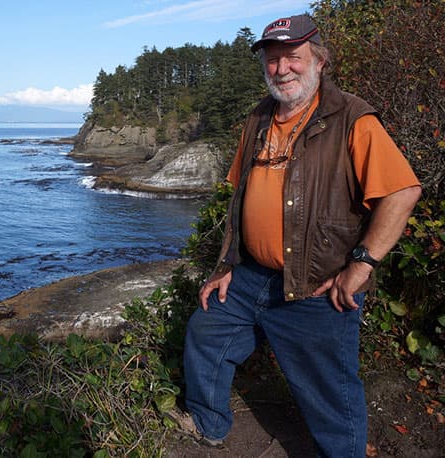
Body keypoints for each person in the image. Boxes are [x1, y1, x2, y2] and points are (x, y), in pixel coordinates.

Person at [173, 13, 422, 457]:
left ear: (319, 61)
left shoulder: (351, 118)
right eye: (272, 59)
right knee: (208, 332)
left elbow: (403, 191)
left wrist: (362, 265)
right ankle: (208, 424)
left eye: (293, 57)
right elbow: (240, 198)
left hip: (316, 285)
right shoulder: (259, 118)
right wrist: (226, 264)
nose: (281, 68)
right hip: (251, 276)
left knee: (328, 391)